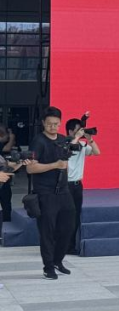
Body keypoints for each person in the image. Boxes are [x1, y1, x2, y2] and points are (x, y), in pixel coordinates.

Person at [27, 107, 77, 279]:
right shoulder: (38, 141)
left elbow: (66, 162)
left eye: (56, 124)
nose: (53, 127)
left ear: (60, 123)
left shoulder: (63, 139)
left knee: (68, 227)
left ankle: (57, 260)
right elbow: (30, 168)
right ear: (43, 123)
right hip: (45, 192)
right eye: (49, 124)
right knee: (47, 231)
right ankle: (48, 267)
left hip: (63, 191)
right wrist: (55, 165)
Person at [63, 118, 100, 256]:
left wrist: (90, 139)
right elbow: (66, 152)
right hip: (66, 185)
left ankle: (71, 246)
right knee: (65, 215)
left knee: (76, 215)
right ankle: (61, 245)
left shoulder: (83, 145)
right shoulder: (64, 144)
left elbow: (97, 152)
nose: (81, 132)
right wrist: (76, 138)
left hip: (78, 185)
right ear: (70, 131)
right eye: (78, 130)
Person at [0, 124, 17, 223]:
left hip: (4, 175)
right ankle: (6, 221)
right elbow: (6, 148)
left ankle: (6, 221)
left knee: (6, 202)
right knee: (5, 202)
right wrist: (11, 137)